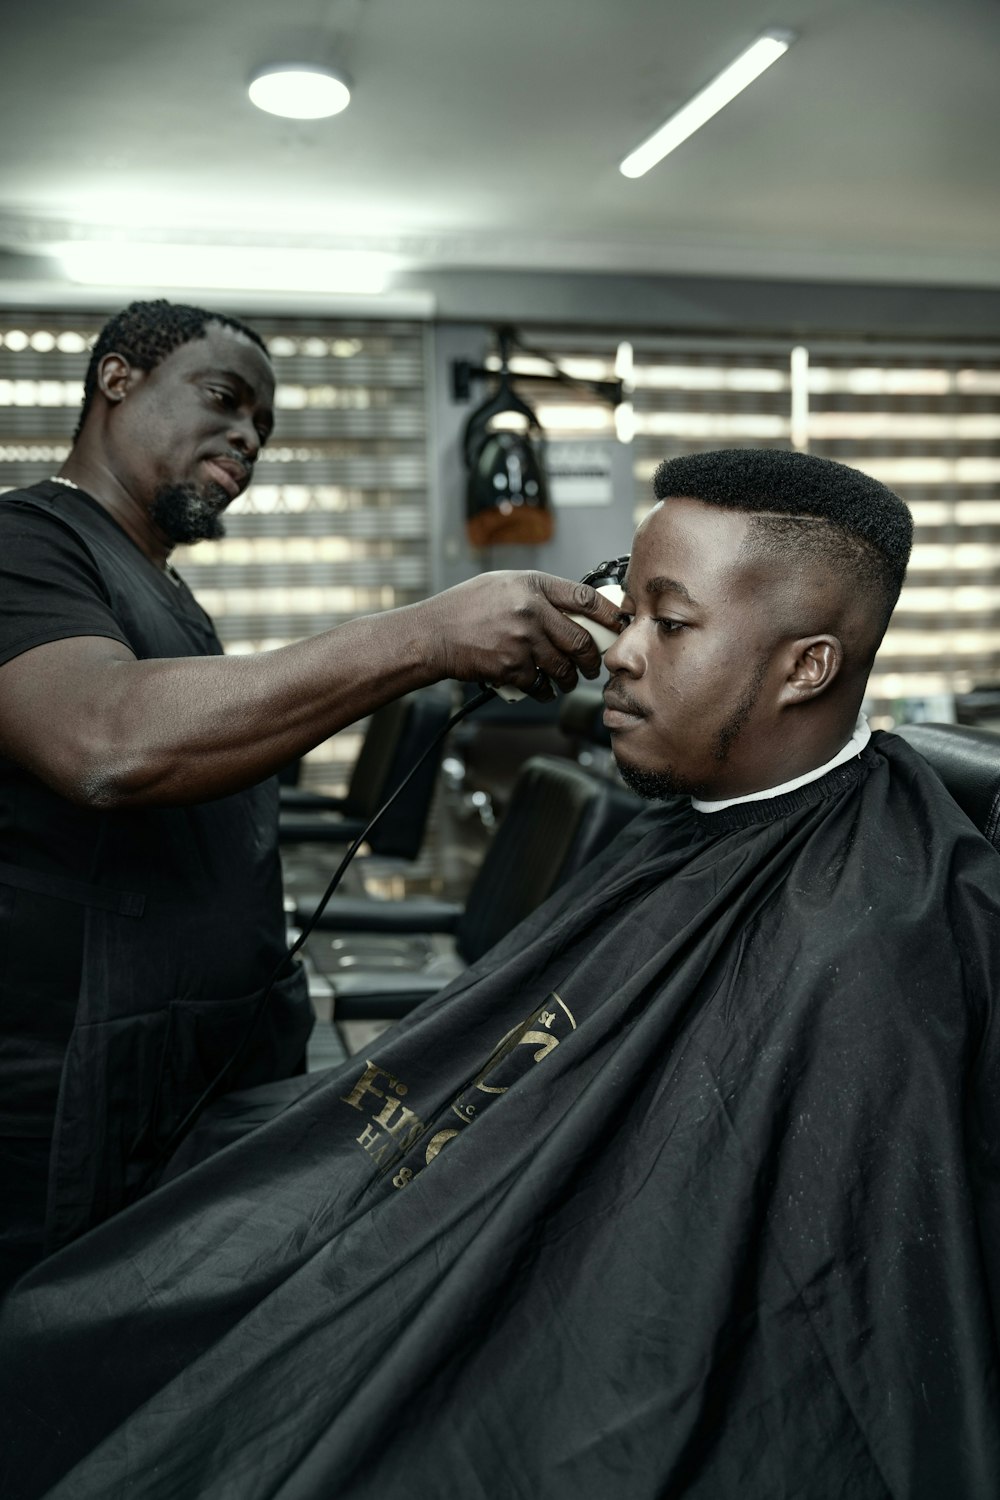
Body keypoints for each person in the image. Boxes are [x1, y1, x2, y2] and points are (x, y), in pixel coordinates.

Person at [3, 447, 1000, 1500]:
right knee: (71, 1329)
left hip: (566, 1389)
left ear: (806, 667)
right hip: (451, 1261)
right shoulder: (684, 841)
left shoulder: (874, 941)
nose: (618, 652)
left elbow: (804, 1327)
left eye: (670, 622)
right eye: (626, 609)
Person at [0, 299, 624, 1289]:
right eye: (224, 398)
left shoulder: (165, 594)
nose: (249, 436)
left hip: (201, 1064)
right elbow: (104, 741)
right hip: (71, 1096)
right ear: (115, 379)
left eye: (265, 426)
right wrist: (424, 637)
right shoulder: (26, 544)